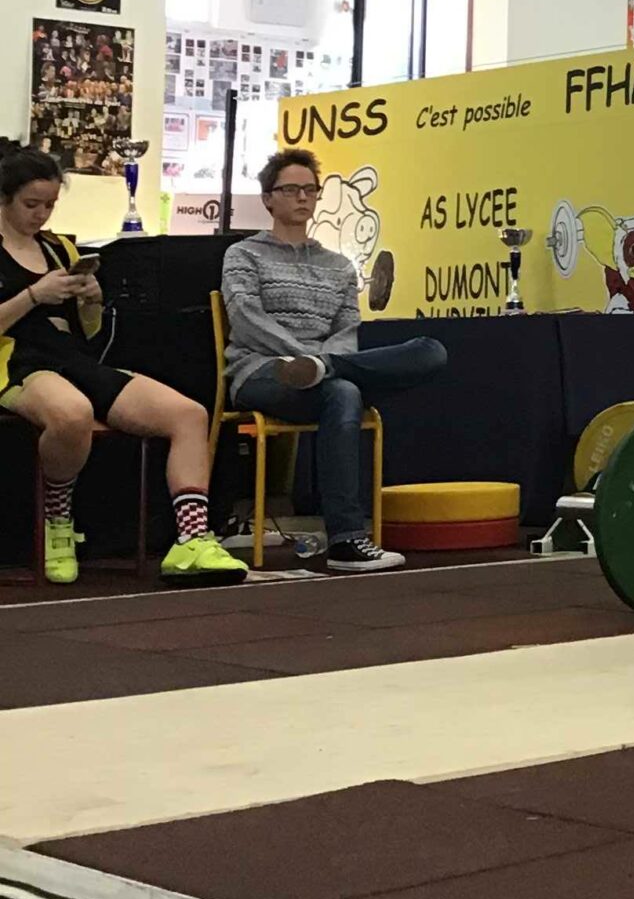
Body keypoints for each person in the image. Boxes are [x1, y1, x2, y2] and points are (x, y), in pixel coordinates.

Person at [0, 145, 246, 588]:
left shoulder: (59, 248)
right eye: (31, 204)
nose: (41, 215)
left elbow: (91, 332)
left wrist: (91, 300)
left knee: (188, 414)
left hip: (73, 359)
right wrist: (34, 295)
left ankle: (193, 539)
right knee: (71, 414)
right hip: (15, 361)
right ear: (5, 199)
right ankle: (58, 516)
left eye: (50, 205)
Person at [221, 149, 448, 574]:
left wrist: (322, 364)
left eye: (310, 189)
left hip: (324, 373)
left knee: (429, 352)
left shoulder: (340, 265)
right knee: (344, 391)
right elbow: (246, 317)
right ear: (268, 198)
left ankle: (346, 543)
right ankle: (346, 539)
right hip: (261, 369)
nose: (302, 197)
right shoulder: (243, 255)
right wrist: (299, 355)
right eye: (291, 189)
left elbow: (348, 329)